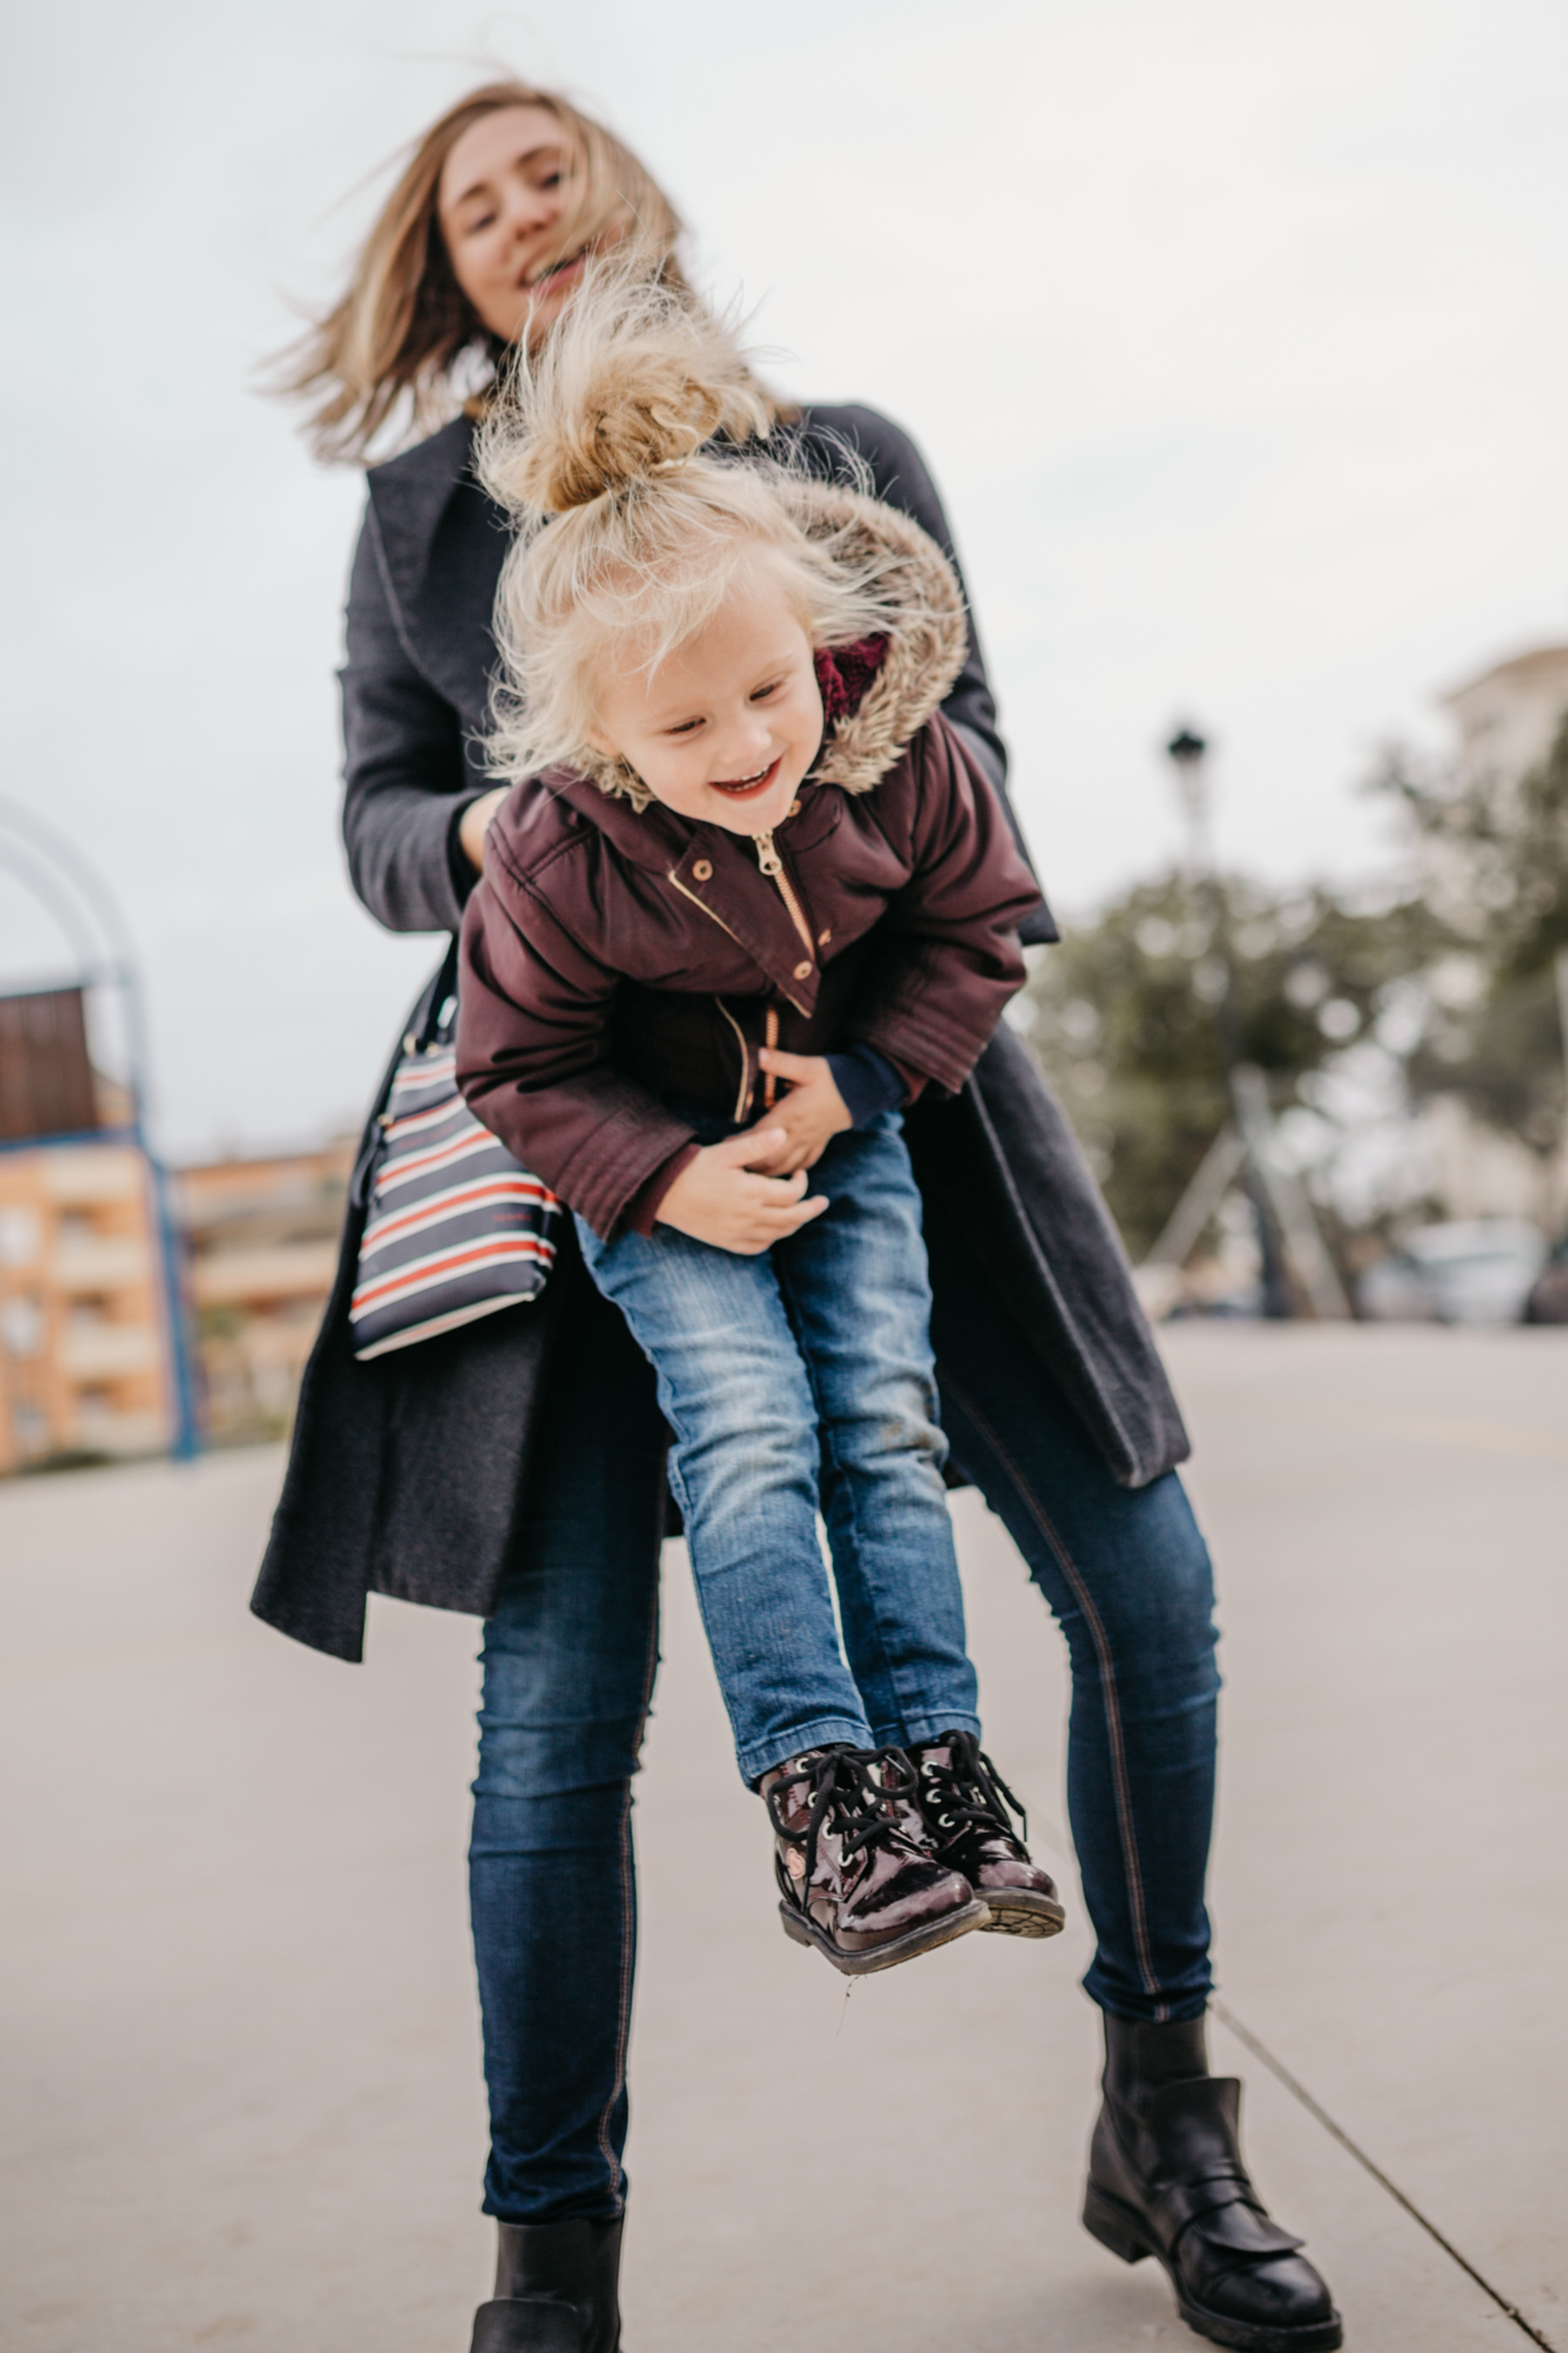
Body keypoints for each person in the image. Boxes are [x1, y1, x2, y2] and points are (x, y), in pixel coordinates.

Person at [255, 78, 1342, 2353]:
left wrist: (846, 1028)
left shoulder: (845, 453)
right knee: (551, 1716)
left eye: (549, 167)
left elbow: (985, 751)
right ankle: (549, 2261)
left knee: (1155, 1593)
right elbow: (369, 822)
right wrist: (505, 837)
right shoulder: (427, 527)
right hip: (567, 1129)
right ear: (444, 269)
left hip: (895, 1091)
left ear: (626, 196)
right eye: (472, 203)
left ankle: (1168, 2105)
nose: (520, 211)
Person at [456, 267, 1064, 1972]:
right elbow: (514, 1068)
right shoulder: (559, 857)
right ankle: (824, 1806)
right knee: (747, 1434)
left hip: (841, 1130)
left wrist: (863, 1087)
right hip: (660, 1174)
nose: (747, 743)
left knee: (879, 1421)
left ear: (820, 647)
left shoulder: (897, 757)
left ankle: (940, 1770)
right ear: (601, 738)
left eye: (768, 693)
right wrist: (666, 1177)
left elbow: (982, 929)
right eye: (685, 723)